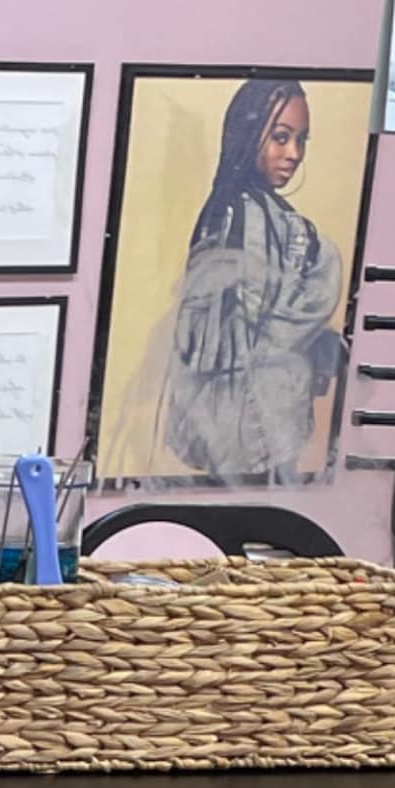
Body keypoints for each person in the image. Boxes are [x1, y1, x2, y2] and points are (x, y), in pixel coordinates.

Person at [148, 76, 346, 483]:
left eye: (301, 140)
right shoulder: (244, 217)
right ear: (248, 133)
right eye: (280, 137)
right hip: (248, 422)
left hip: (253, 414)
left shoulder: (263, 217)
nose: (293, 154)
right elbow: (254, 324)